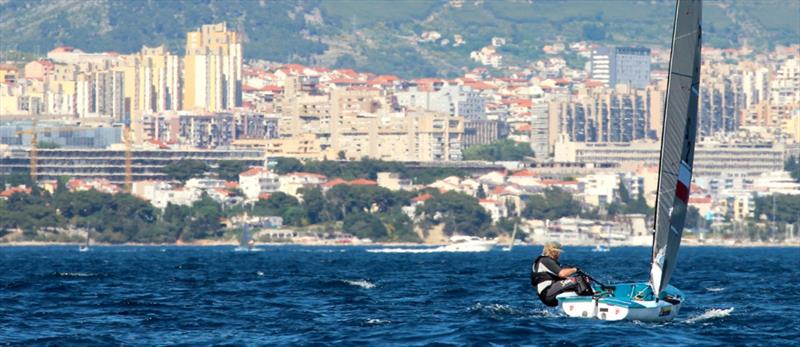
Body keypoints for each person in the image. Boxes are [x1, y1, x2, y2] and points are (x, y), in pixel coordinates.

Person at [530, 241, 593, 307]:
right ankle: (590, 300)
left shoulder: (544, 260)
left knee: (580, 279)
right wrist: (575, 269)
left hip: (549, 292)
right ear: (553, 251)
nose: (559, 254)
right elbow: (562, 273)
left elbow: (556, 277)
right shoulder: (545, 260)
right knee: (578, 280)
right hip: (547, 293)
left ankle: (586, 297)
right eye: (558, 252)